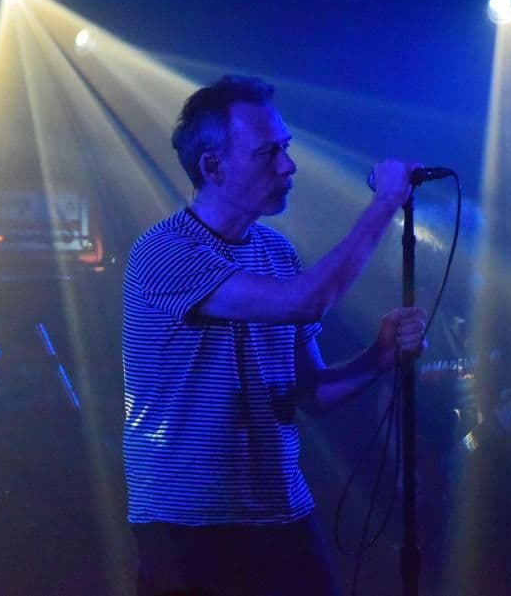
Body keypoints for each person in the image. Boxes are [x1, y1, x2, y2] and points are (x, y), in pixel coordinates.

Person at [122, 75, 427, 596]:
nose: (288, 166)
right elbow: (305, 301)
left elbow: (309, 393)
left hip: (282, 513)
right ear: (212, 167)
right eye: (268, 153)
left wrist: (379, 356)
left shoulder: (276, 252)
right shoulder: (164, 251)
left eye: (286, 148)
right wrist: (385, 203)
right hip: (188, 525)